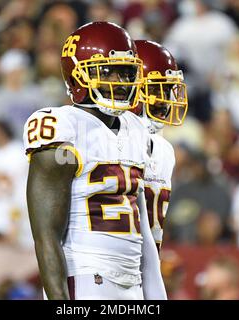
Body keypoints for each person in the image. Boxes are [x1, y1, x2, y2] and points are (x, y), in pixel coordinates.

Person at [24, 22, 165, 300]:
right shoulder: (63, 127)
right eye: (107, 71)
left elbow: (144, 230)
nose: (120, 82)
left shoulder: (136, 128)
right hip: (87, 277)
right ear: (78, 75)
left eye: (126, 72)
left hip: (131, 280)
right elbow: (46, 236)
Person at [131, 40, 188, 252]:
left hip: (141, 267)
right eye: (157, 89)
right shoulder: (103, 139)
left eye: (168, 90)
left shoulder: (164, 150)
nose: (165, 100)